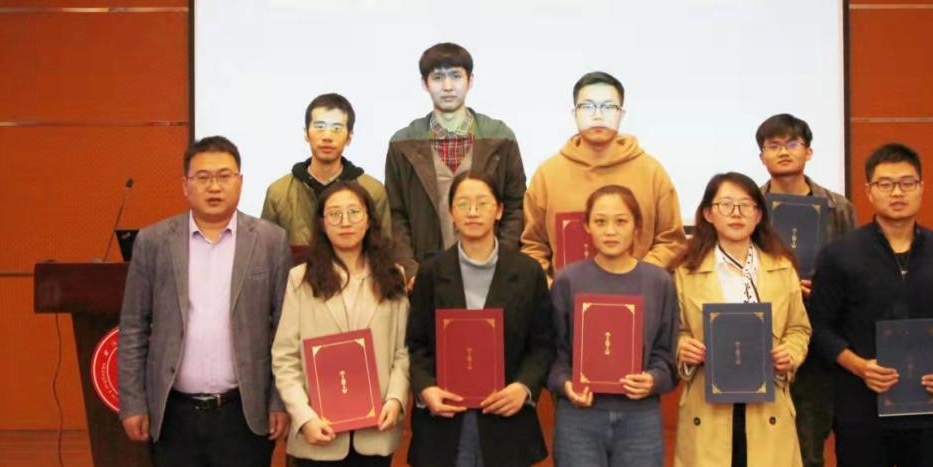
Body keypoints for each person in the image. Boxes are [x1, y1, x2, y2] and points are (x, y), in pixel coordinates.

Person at [118, 135, 293, 467]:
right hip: (174, 415)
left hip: (243, 413)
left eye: (224, 176)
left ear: (240, 182)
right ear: (185, 185)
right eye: (203, 177)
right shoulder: (154, 242)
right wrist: (132, 402)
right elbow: (133, 325)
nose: (214, 186)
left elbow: (284, 327)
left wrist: (279, 400)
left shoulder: (270, 241)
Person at [809, 143, 933, 467]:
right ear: (869, 191)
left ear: (922, 187)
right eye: (885, 184)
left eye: (907, 183)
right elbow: (819, 328)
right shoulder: (840, 255)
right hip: (861, 409)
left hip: (929, 407)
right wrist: (859, 365)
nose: (897, 192)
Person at [406, 169, 555, 467]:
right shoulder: (431, 272)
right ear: (451, 213)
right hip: (444, 422)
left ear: (499, 210)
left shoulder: (528, 272)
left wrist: (523, 388)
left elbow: (543, 345)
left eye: (482, 203)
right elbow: (415, 344)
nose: (473, 212)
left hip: (506, 421)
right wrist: (426, 389)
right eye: (463, 203)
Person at [672, 172, 811, 467]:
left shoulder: (782, 268)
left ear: (759, 214)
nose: (736, 213)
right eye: (726, 204)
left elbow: (799, 328)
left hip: (768, 403)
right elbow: (673, 330)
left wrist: (790, 354)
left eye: (746, 205)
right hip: (708, 404)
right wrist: (683, 347)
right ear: (708, 213)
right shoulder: (685, 271)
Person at [271, 180, 411, 467]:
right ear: (322, 223)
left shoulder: (393, 276)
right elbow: (285, 357)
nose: (345, 222)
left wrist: (395, 399)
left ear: (369, 219)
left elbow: (403, 351)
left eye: (353, 212)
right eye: (334, 214)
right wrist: (303, 416)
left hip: (376, 425)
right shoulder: (301, 280)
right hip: (319, 427)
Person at [548, 184, 678, 467]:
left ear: (637, 226)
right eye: (600, 221)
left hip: (640, 419)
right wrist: (566, 384)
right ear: (586, 226)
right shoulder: (567, 280)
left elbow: (667, 353)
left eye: (620, 221)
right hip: (579, 419)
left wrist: (654, 380)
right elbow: (553, 354)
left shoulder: (658, 282)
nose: (610, 231)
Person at [755, 113, 857, 467]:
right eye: (773, 145)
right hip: (762, 342)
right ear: (762, 156)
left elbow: (855, 270)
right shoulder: (750, 207)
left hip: (818, 347)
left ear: (809, 152)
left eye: (792, 144)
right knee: (760, 454)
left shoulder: (838, 207)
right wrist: (780, 287)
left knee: (809, 453)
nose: (783, 152)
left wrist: (824, 287)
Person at [522, 71, 685, 276]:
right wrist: (553, 287)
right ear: (575, 114)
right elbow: (533, 246)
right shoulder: (548, 175)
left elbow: (671, 241)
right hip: (566, 294)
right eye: (587, 106)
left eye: (608, 107)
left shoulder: (651, 172)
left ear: (621, 114)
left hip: (637, 292)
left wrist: (638, 278)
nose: (598, 115)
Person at [386, 42, 526, 277]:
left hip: (491, 269)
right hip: (427, 273)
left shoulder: (500, 138)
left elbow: (516, 206)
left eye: (456, 76)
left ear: (470, 81)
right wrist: (410, 270)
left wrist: (503, 261)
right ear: (425, 84)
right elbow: (396, 214)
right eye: (438, 77)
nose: (448, 87)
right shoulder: (403, 143)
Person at [262, 92, 392, 246]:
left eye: (336, 128)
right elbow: (266, 252)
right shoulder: (279, 192)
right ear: (306, 133)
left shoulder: (372, 191)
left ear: (349, 137)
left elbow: (384, 250)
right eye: (320, 127)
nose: (327, 137)